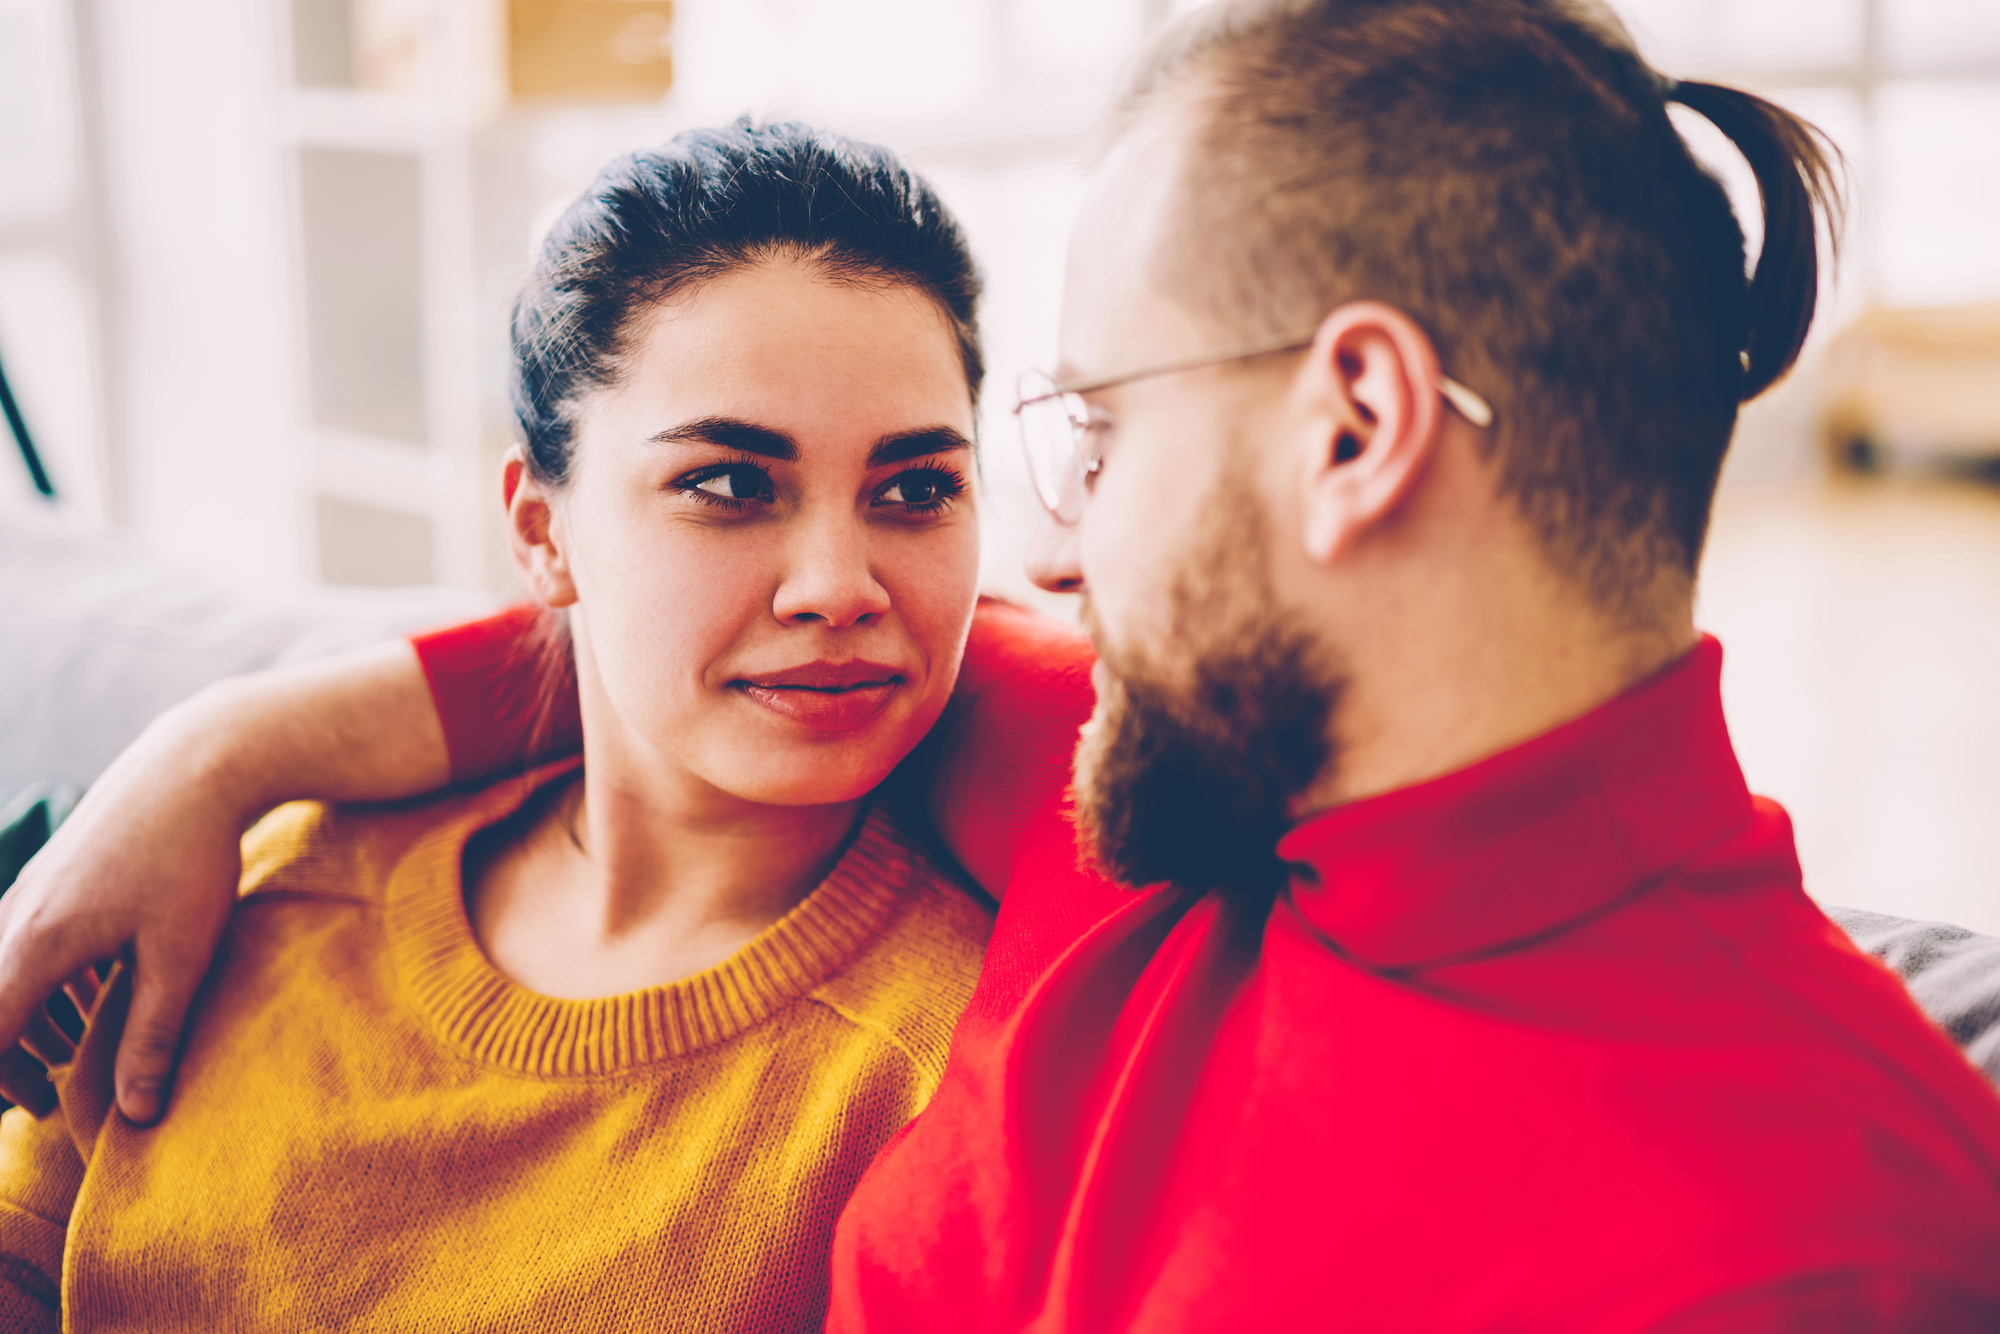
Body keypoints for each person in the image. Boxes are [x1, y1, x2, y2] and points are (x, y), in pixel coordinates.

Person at [8, 0, 2000, 1328]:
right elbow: (651, 654)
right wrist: (208, 755)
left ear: (1351, 426)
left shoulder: (1838, 1226)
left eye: (1097, 433)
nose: (1025, 550)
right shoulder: (1136, 773)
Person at [0, 119, 1003, 1332]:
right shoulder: (280, 871)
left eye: (914, 489)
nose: (837, 586)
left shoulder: (937, 1070)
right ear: (541, 531)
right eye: (729, 484)